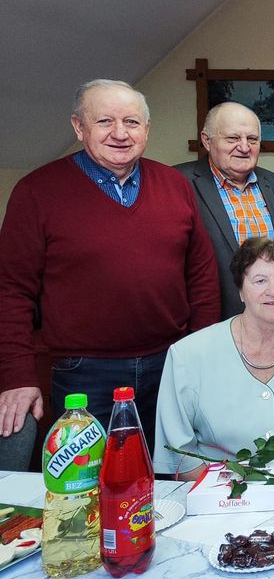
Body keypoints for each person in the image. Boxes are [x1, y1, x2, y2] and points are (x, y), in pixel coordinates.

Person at [0, 79, 219, 446]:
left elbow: (201, 277)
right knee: (89, 475)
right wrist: (17, 375)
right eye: (104, 121)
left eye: (131, 122)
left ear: (146, 129)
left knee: (171, 472)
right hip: (84, 375)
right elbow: (10, 290)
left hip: (170, 365)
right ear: (78, 127)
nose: (120, 133)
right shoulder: (37, 191)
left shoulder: (175, 185)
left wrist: (199, 357)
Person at [154, 237, 274, 479]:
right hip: (217, 487)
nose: (273, 291)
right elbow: (178, 451)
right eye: (260, 280)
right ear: (241, 291)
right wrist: (226, 492)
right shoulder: (187, 354)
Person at [177, 102, 274, 319]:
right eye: (232, 138)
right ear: (206, 140)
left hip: (270, 319)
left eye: (252, 139)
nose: (244, 147)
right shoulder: (178, 183)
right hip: (210, 320)